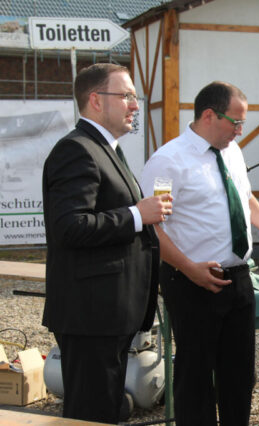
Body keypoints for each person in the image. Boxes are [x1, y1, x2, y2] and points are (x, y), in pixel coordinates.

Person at [140, 81, 259, 426]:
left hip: (239, 277)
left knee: (239, 374)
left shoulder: (231, 151)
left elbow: (244, 196)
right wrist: (188, 268)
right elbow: (152, 228)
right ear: (209, 115)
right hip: (191, 280)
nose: (240, 130)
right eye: (236, 122)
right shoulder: (168, 161)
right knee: (195, 376)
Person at [42, 63, 171, 423]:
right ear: (96, 100)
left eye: (135, 97)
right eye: (126, 96)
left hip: (109, 313)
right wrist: (136, 215)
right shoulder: (77, 149)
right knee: (90, 414)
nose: (135, 105)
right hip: (91, 315)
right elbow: (70, 227)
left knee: (106, 409)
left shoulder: (105, 148)